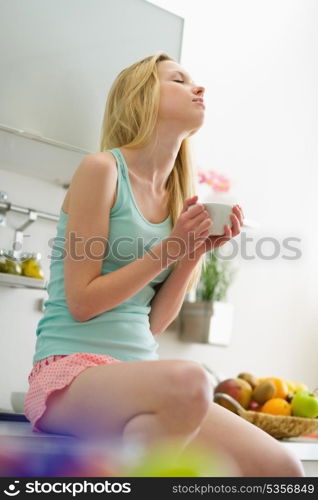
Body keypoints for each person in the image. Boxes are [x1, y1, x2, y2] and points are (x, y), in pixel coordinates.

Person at [24, 52, 304, 477]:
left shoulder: (175, 197)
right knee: (191, 380)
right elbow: (81, 303)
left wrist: (194, 251)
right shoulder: (102, 170)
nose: (199, 88)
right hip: (68, 375)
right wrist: (170, 249)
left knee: (283, 468)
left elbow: (151, 324)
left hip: (142, 377)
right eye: (179, 80)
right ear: (142, 98)